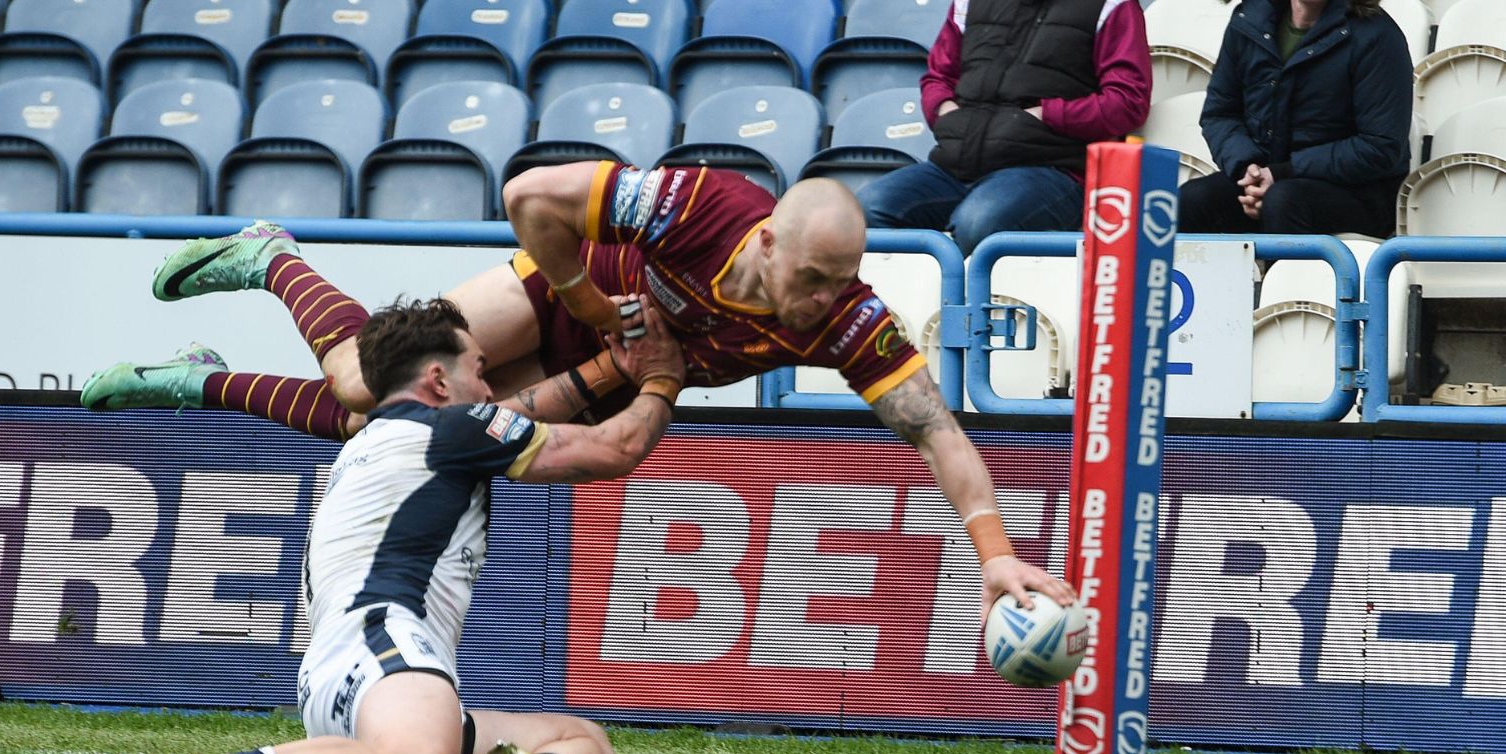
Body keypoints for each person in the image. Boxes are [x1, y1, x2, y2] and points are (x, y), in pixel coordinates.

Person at [82, 162, 1074, 617]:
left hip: (621, 373)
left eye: (835, 284)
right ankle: (270, 257)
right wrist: (588, 300)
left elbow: (935, 431)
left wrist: (992, 554)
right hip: (560, 300)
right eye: (808, 280)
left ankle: (202, 381)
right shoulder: (701, 206)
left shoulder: (850, 321)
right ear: (766, 239)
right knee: (356, 380)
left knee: (373, 428)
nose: (819, 304)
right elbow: (530, 197)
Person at [95, 293, 686, 754]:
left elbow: (520, 414)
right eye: (479, 371)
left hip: (349, 674)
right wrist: (662, 377)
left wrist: (609, 369)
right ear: (437, 380)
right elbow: (618, 447)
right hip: (385, 649)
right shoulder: (453, 432)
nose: (488, 388)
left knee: (586, 745)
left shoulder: (376, 434)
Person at [855, 0, 1152, 257]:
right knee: (868, 209)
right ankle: (899, 319)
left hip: (1051, 170)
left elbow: (1128, 101)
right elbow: (937, 77)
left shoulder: (1113, 5)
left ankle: (954, 319)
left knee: (979, 222)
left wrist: (1047, 114)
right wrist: (944, 110)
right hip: (954, 165)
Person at [1178, 0, 1412, 236]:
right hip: (1268, 177)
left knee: (1282, 201)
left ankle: (1285, 273)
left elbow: (1380, 146)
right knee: (1191, 200)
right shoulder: (1249, 19)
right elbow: (1220, 113)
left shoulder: (1378, 36)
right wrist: (1248, 170)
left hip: (1357, 194)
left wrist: (1282, 173)